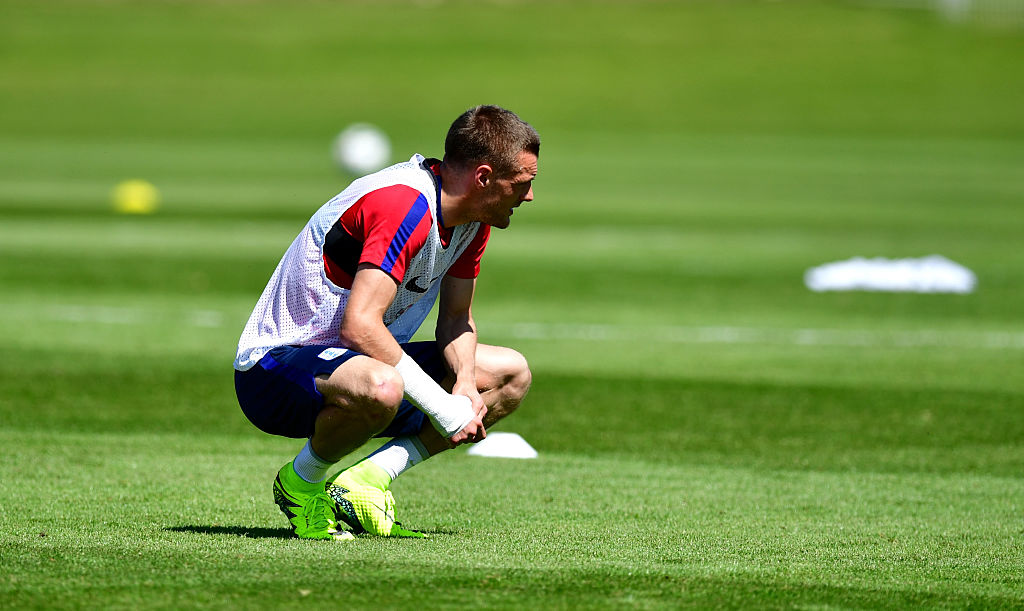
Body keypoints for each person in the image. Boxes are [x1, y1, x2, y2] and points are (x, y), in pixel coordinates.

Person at [233, 105, 539, 540]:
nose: (528, 196)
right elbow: (359, 327)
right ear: (484, 177)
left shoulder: (474, 219)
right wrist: (441, 406)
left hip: (363, 366)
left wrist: (465, 386)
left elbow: (455, 319)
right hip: (272, 371)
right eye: (523, 183)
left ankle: (367, 480)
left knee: (509, 374)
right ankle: (302, 482)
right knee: (383, 385)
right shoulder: (404, 204)